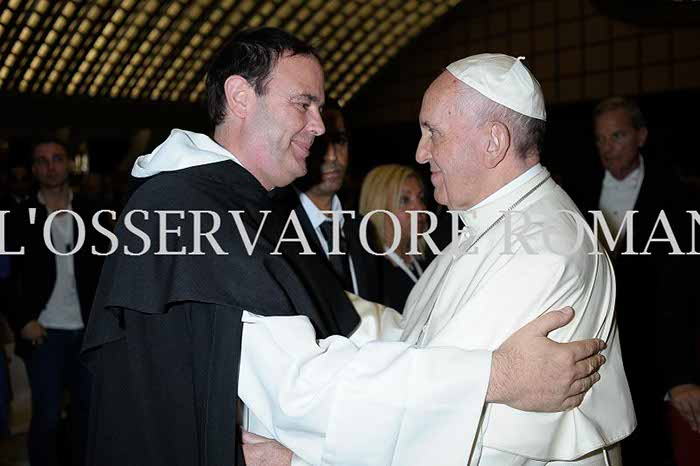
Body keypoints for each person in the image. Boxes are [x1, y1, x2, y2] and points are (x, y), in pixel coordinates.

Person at [82, 29, 606, 466]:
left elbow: (340, 319)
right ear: (241, 97)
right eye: (304, 104)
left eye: (433, 133)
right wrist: (500, 375)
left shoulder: (230, 202)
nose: (319, 125)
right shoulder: (193, 208)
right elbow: (303, 389)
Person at [239, 54, 629, 466]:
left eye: (433, 132)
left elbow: (455, 436)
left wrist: (294, 462)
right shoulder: (493, 224)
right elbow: (416, 339)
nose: (421, 153)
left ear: (493, 142)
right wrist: (296, 287)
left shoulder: (540, 250)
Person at [571, 97, 697, 464]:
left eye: (617, 136)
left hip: (649, 355)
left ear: (641, 136)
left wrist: (681, 376)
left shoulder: (676, 196)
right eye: (600, 139)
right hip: (591, 347)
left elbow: (681, 294)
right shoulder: (577, 189)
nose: (607, 148)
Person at [8, 139, 101, 466]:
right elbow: (5, 277)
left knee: (87, 418)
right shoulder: (19, 217)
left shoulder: (93, 212)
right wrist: (22, 321)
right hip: (44, 332)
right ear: (35, 169)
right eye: (43, 160)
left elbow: (109, 272)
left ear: (68, 164)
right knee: (46, 419)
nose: (51, 166)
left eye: (57, 158)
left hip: (88, 332)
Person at [283, 99, 382, 302]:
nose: (332, 157)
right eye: (318, 142)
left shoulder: (362, 229)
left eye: (339, 141)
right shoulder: (276, 229)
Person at [359, 164, 431, 311]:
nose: (420, 208)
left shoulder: (428, 263)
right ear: (378, 206)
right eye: (405, 200)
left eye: (421, 198)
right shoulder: (372, 276)